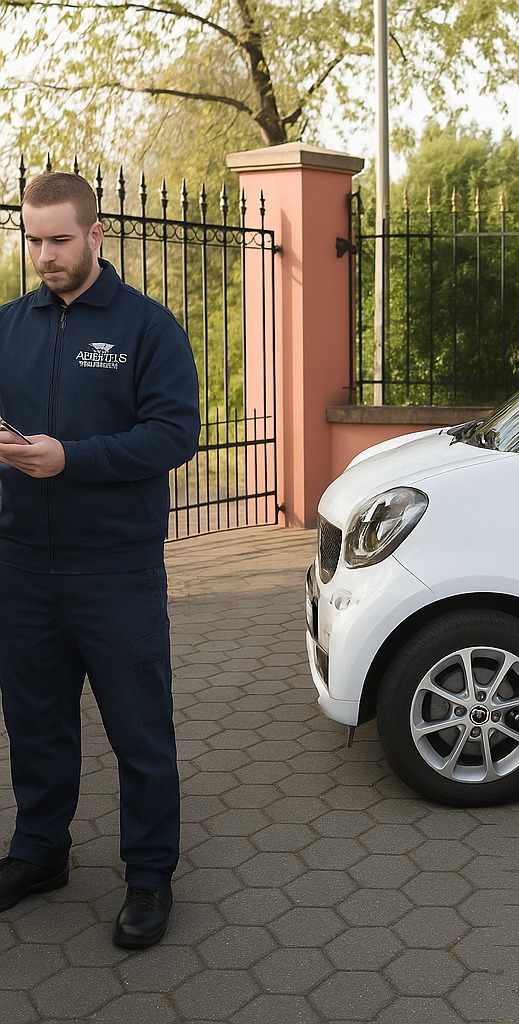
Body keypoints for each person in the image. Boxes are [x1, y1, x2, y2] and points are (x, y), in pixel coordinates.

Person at [0, 171, 200, 948]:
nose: (44, 254)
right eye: (33, 239)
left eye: (59, 239)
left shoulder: (147, 328)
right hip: (20, 566)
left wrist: (68, 459)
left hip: (114, 569)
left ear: (96, 235)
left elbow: (173, 433)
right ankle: (40, 853)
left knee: (139, 731)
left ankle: (150, 876)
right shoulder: (8, 325)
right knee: (36, 725)